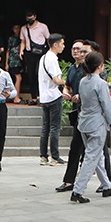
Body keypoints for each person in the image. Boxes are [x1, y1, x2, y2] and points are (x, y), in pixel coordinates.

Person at [71, 51, 111, 203]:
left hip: (84, 122)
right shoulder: (101, 84)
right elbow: (107, 106)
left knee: (97, 156)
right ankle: (78, 190)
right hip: (96, 123)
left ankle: (106, 186)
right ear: (100, 66)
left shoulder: (83, 81)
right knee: (91, 158)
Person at [57, 40, 91, 192]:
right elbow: (68, 85)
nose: (77, 52)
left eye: (80, 50)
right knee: (76, 147)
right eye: (74, 49)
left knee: (98, 150)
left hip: (89, 113)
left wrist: (81, 96)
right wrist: (66, 91)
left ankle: (106, 183)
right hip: (76, 111)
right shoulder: (72, 69)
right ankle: (69, 180)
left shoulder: (89, 70)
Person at [38, 34, 66, 166]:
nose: (63, 46)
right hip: (54, 96)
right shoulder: (52, 59)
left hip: (44, 96)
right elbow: (56, 80)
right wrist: (65, 82)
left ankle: (43, 156)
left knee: (45, 127)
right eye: (62, 43)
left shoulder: (43, 57)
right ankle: (55, 156)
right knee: (55, 127)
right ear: (55, 44)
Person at [19, 11, 50, 103]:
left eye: (31, 16)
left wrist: (50, 52)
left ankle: (42, 96)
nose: (29, 19)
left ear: (35, 16)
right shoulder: (24, 28)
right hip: (29, 53)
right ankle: (34, 97)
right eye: (27, 17)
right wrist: (21, 50)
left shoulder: (43, 27)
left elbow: (48, 40)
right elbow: (23, 41)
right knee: (31, 75)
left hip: (41, 53)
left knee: (40, 74)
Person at [7, 23, 25, 102]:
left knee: (18, 78)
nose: (17, 30)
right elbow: (8, 51)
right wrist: (6, 63)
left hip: (21, 61)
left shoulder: (23, 38)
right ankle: (16, 97)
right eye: (15, 28)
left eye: (18, 28)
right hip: (14, 61)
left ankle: (16, 96)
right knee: (18, 78)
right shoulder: (11, 39)